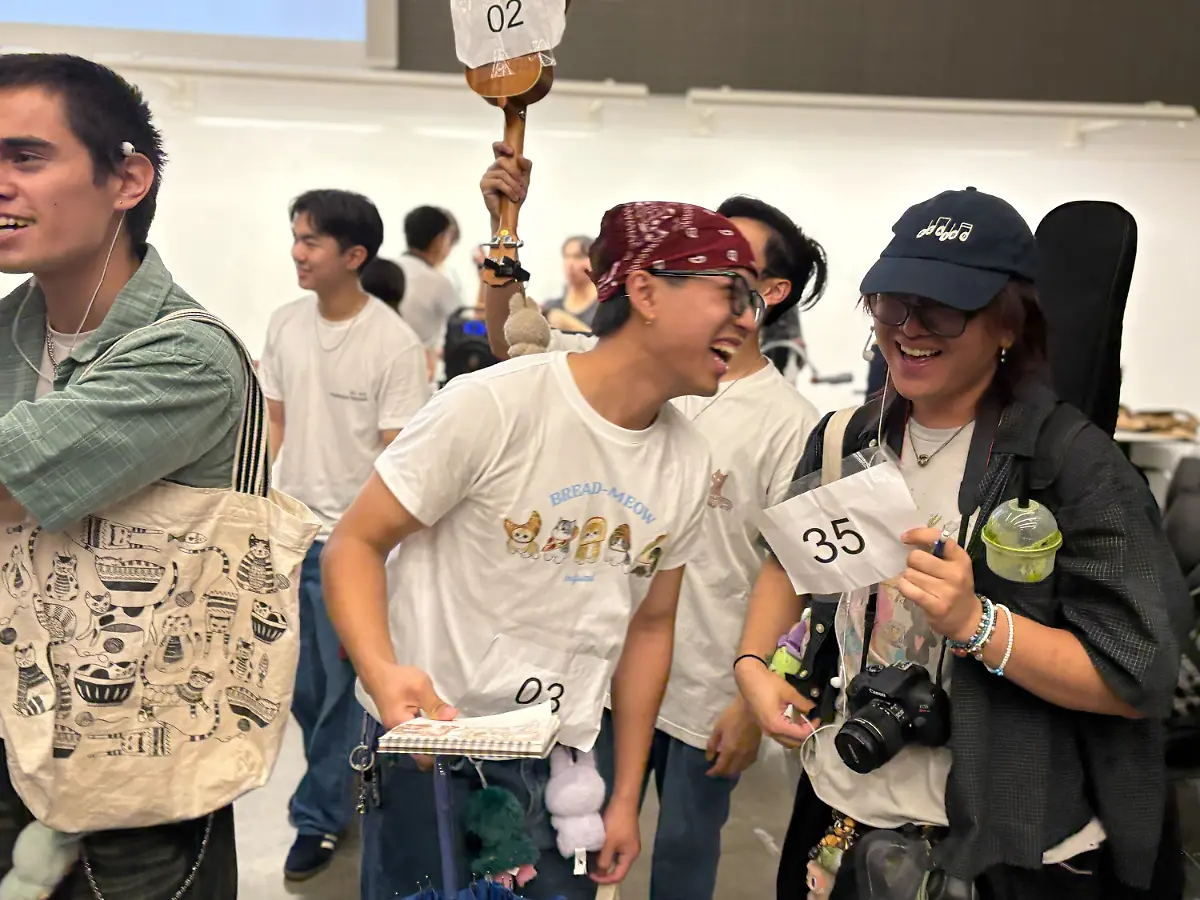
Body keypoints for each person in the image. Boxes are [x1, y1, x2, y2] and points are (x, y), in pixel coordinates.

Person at [734, 187, 1187, 899]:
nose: (909, 330)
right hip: (845, 813)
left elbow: (1138, 678)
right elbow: (788, 562)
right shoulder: (844, 437)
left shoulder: (1070, 464)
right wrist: (755, 666)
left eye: (942, 308)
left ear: (1008, 324)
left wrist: (977, 626)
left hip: (1007, 848)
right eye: (891, 304)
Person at [322, 196, 764, 899]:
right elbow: (354, 542)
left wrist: (624, 797)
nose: (748, 317)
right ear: (645, 289)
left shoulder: (686, 458)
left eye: (755, 300)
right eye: (731, 293)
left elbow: (650, 626)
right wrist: (380, 669)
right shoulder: (495, 406)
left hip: (565, 768)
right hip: (434, 752)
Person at [479, 141, 829, 900]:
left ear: (767, 291)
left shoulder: (790, 422)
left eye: (732, 262)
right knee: (579, 838)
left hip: (708, 682)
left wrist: (750, 694)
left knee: (684, 855)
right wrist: (504, 227)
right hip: (608, 668)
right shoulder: (639, 375)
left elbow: (793, 572)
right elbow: (515, 343)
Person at [0, 52, 241, 897]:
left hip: (132, 776)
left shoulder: (188, 356)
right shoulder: (12, 327)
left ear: (127, 179)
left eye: (25, 158)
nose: (0, 184)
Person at [258, 189, 429, 881]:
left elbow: (398, 457)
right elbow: (274, 422)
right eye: (295, 237)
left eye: (312, 242)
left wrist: (370, 544)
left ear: (353, 256)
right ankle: (337, 786)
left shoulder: (394, 343)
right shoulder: (285, 323)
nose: (298, 252)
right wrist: (253, 506)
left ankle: (319, 818)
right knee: (298, 688)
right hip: (286, 532)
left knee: (336, 694)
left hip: (350, 547)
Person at [397, 204, 463, 355]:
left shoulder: (388, 269)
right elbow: (463, 327)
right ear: (439, 240)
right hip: (418, 361)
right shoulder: (439, 283)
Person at [541, 235, 598, 332]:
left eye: (579, 256)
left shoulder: (607, 307)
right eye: (566, 256)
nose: (570, 263)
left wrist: (568, 324)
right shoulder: (551, 307)